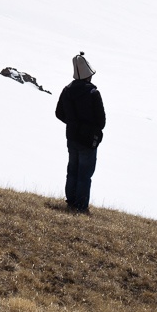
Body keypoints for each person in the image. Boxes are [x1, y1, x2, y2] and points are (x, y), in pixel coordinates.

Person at [55, 52, 105, 213]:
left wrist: (72, 123)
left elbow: (59, 113)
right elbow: (101, 121)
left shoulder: (67, 91)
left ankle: (71, 201)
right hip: (88, 140)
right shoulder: (93, 93)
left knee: (72, 171)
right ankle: (81, 206)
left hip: (72, 137)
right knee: (85, 174)